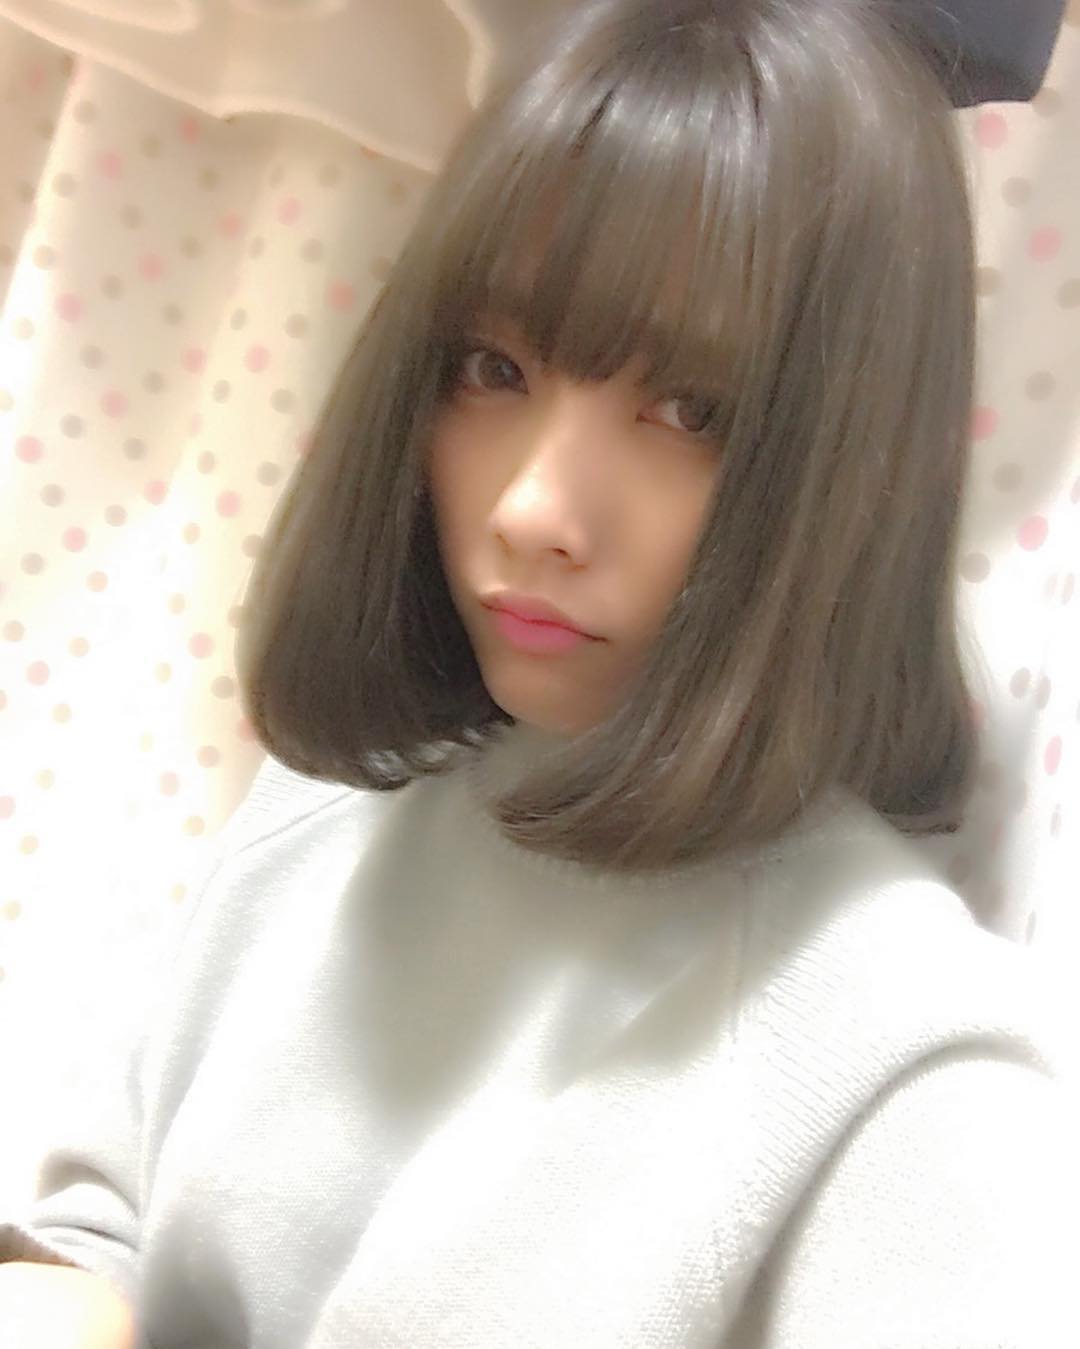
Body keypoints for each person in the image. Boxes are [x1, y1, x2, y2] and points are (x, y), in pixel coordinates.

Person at [1, 0, 1076, 1345]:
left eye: (689, 409)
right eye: (492, 368)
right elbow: (109, 1211)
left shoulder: (905, 1062)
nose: (530, 509)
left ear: (851, 465)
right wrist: (67, 1293)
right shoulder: (332, 804)